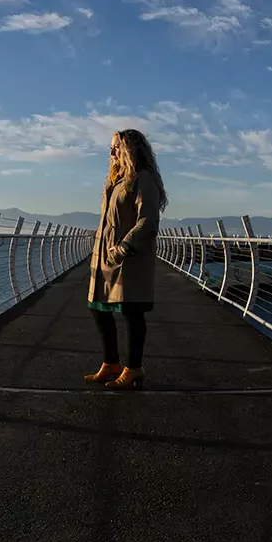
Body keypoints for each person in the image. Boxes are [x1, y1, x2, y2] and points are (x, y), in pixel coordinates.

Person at [84, 129, 168, 389]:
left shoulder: (143, 180)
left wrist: (123, 248)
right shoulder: (116, 181)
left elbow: (148, 221)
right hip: (104, 259)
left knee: (132, 312)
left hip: (128, 259)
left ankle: (134, 368)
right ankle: (111, 364)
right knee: (97, 308)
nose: (111, 153)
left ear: (130, 149)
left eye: (115, 147)